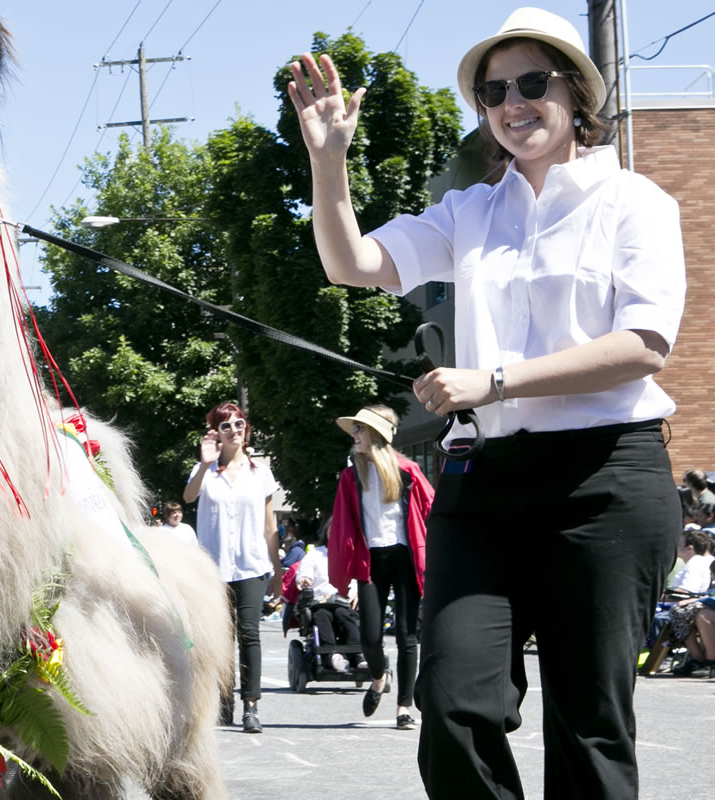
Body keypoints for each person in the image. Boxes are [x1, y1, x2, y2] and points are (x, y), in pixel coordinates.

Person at [288, 7, 685, 797]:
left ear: (576, 93)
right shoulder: (471, 213)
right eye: (494, 90)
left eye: (533, 82)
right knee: (453, 705)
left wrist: (494, 379)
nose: (513, 102)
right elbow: (351, 263)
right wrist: (328, 161)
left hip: (607, 480)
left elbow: (644, 346)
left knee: (589, 723)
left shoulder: (634, 203)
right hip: (488, 484)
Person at [328, 406, 432, 731]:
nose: (354, 434)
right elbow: (343, 526)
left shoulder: (408, 471)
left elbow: (432, 508)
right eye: (355, 428)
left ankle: (404, 707)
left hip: (404, 557)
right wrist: (341, 573)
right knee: (370, 637)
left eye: (360, 429)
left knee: (407, 635)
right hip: (370, 561)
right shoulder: (350, 476)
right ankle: (378, 676)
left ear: (376, 433)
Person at [183, 402, 282, 734]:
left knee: (250, 634)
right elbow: (188, 497)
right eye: (226, 426)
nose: (235, 430)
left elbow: (270, 528)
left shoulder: (261, 473)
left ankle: (250, 705)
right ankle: (224, 698)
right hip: (212, 569)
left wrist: (278, 572)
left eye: (240, 424)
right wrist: (203, 463)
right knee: (221, 639)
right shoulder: (206, 472)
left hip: (252, 566)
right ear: (216, 433)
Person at [295, 518, 365, 673]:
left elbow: (357, 578)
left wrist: (357, 592)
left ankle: (358, 655)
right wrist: (304, 579)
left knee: (344, 615)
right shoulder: (315, 554)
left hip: (344, 601)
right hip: (320, 601)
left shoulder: (351, 553)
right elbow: (304, 573)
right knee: (322, 616)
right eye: (331, 530)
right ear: (325, 532)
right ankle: (330, 655)